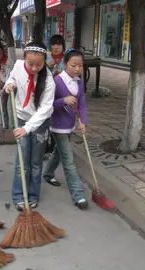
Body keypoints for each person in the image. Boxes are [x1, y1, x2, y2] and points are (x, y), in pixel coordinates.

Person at [3, 42, 55, 210]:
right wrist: (9, 84)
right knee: (22, 159)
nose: (34, 68)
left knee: (35, 161)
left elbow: (45, 109)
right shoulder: (18, 66)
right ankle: (19, 195)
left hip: (39, 123)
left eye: (38, 64)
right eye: (30, 64)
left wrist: (27, 128)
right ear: (23, 58)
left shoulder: (48, 80)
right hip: (21, 118)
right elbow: (11, 78)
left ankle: (33, 195)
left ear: (44, 61)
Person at [42, 49, 88, 210]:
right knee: (68, 159)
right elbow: (48, 104)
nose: (77, 69)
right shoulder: (56, 81)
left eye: (80, 66)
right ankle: (78, 195)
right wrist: (63, 100)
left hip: (70, 125)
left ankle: (47, 174)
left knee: (58, 152)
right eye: (74, 65)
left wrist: (83, 122)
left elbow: (81, 104)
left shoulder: (79, 82)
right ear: (65, 64)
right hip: (57, 125)